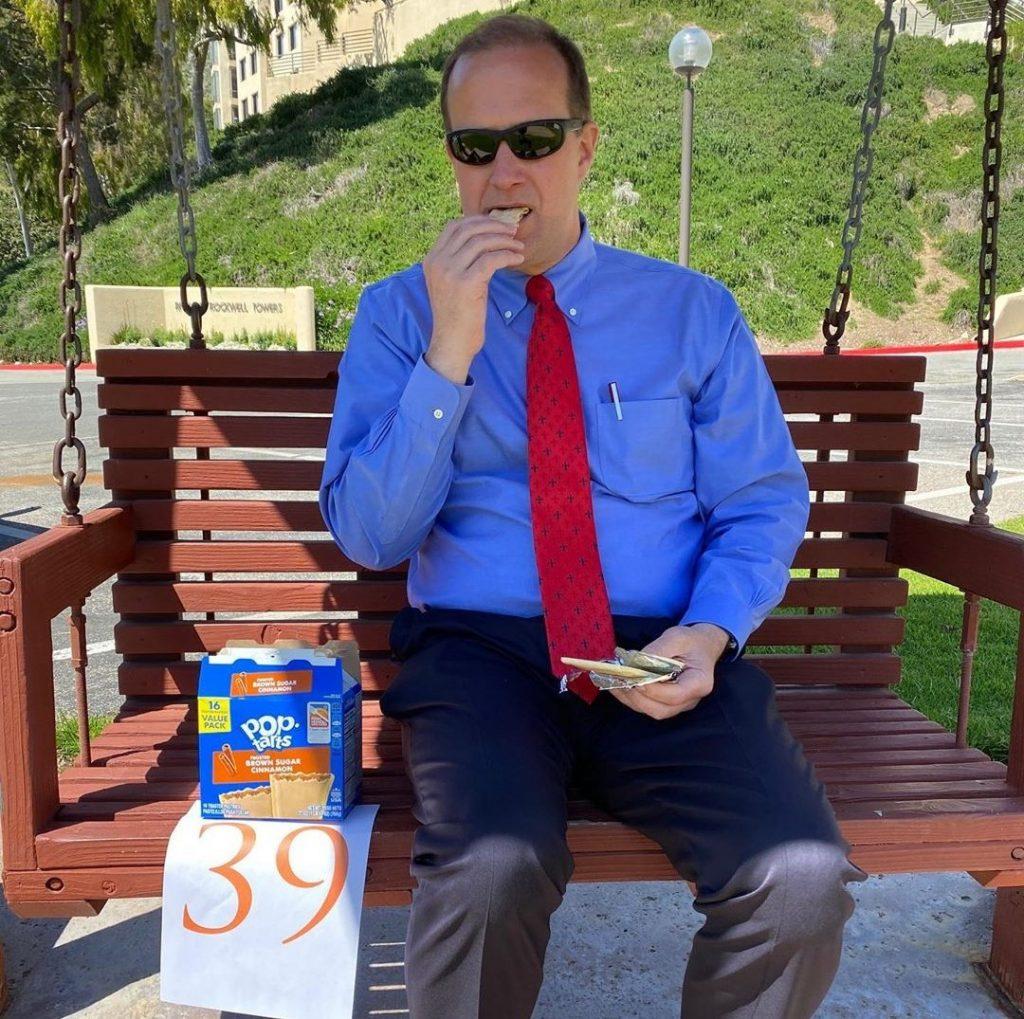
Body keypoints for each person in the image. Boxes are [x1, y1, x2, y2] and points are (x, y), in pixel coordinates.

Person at [319, 13, 868, 1018]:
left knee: (797, 880)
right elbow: (372, 535)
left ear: (584, 145)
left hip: (659, 650)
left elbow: (758, 501)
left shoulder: (690, 312)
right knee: (490, 868)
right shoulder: (398, 315)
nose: (504, 172)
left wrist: (708, 632)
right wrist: (450, 348)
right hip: (477, 656)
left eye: (532, 140)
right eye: (473, 146)